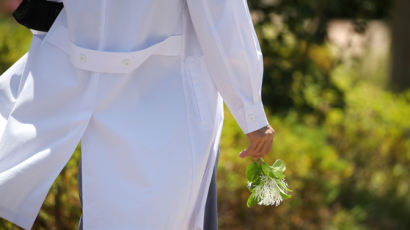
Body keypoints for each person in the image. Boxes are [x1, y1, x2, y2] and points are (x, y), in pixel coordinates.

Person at [0, 0, 275, 230]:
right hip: (169, 105)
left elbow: (35, 9)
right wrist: (251, 113)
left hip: (85, 92)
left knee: (106, 212)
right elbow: (222, 20)